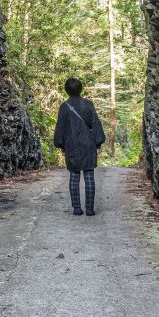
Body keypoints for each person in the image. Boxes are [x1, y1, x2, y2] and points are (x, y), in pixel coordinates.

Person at [53, 77, 106, 215]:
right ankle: (89, 209)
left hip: (72, 145)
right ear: (81, 89)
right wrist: (98, 143)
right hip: (88, 144)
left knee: (74, 176)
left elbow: (60, 128)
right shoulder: (88, 104)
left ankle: (77, 208)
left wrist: (61, 146)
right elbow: (95, 123)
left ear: (66, 90)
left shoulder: (64, 107)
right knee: (89, 176)